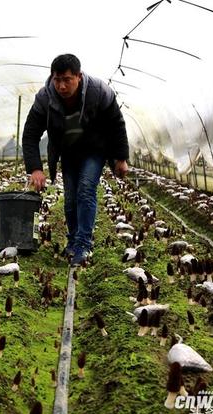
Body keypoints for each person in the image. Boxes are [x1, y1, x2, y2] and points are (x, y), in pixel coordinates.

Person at [22, 54, 129, 266]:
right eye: (57, 80)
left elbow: (116, 123)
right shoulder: (45, 98)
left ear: (78, 76)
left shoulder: (99, 92)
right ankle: (73, 240)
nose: (61, 86)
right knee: (70, 199)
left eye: (67, 80)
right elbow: (30, 134)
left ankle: (84, 245)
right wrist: (35, 168)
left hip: (94, 150)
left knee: (86, 189)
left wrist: (120, 157)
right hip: (68, 152)